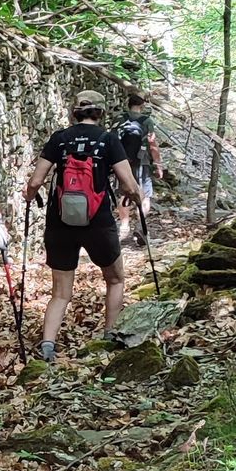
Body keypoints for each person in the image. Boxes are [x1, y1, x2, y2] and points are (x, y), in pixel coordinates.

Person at [22, 91, 140, 362]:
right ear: (100, 113)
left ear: (74, 111)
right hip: (98, 221)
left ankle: (48, 345)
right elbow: (129, 183)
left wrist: (30, 197)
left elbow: (35, 181)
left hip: (60, 221)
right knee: (115, 278)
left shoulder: (59, 139)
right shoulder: (109, 140)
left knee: (61, 292)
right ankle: (110, 335)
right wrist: (135, 198)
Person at [115, 89, 164, 241]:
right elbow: (152, 143)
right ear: (142, 106)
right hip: (141, 162)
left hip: (122, 162)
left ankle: (123, 226)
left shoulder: (120, 118)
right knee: (145, 195)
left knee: (124, 193)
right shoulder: (147, 121)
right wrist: (158, 164)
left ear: (128, 105)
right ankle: (140, 228)